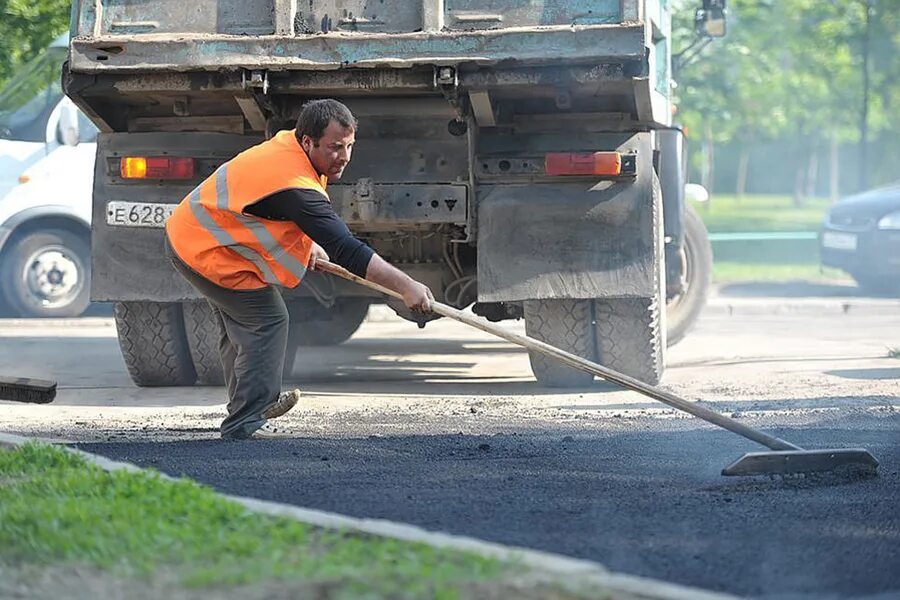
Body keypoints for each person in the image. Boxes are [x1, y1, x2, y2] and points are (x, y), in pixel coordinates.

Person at [164, 99, 433, 440]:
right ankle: (245, 422)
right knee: (267, 319)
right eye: (335, 147)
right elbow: (347, 249)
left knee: (242, 328)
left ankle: (245, 411)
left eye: (349, 146)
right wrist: (406, 285)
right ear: (308, 141)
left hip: (197, 238)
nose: (345, 156)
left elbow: (270, 212)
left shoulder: (290, 148)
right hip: (202, 248)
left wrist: (309, 245)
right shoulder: (293, 182)